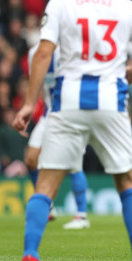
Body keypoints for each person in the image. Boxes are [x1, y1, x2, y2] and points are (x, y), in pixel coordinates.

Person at [13, 0, 132, 261]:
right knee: (127, 181)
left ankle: (31, 257)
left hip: (68, 101)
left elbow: (43, 55)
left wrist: (27, 104)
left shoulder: (61, 3)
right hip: (111, 100)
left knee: (46, 185)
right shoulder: (125, 6)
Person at [24, 43, 90, 229]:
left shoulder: (70, 48)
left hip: (70, 114)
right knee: (31, 159)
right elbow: (35, 84)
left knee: (73, 164)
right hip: (48, 115)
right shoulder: (33, 53)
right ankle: (48, 206)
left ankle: (82, 215)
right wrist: (28, 109)